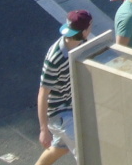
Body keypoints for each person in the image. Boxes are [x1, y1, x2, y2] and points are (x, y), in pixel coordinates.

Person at [34, 9, 92, 165]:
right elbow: (43, 94)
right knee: (87, 152)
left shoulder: (81, 44)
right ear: (84, 31)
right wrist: (43, 129)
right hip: (60, 113)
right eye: (90, 26)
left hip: (71, 107)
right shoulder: (55, 57)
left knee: (60, 148)